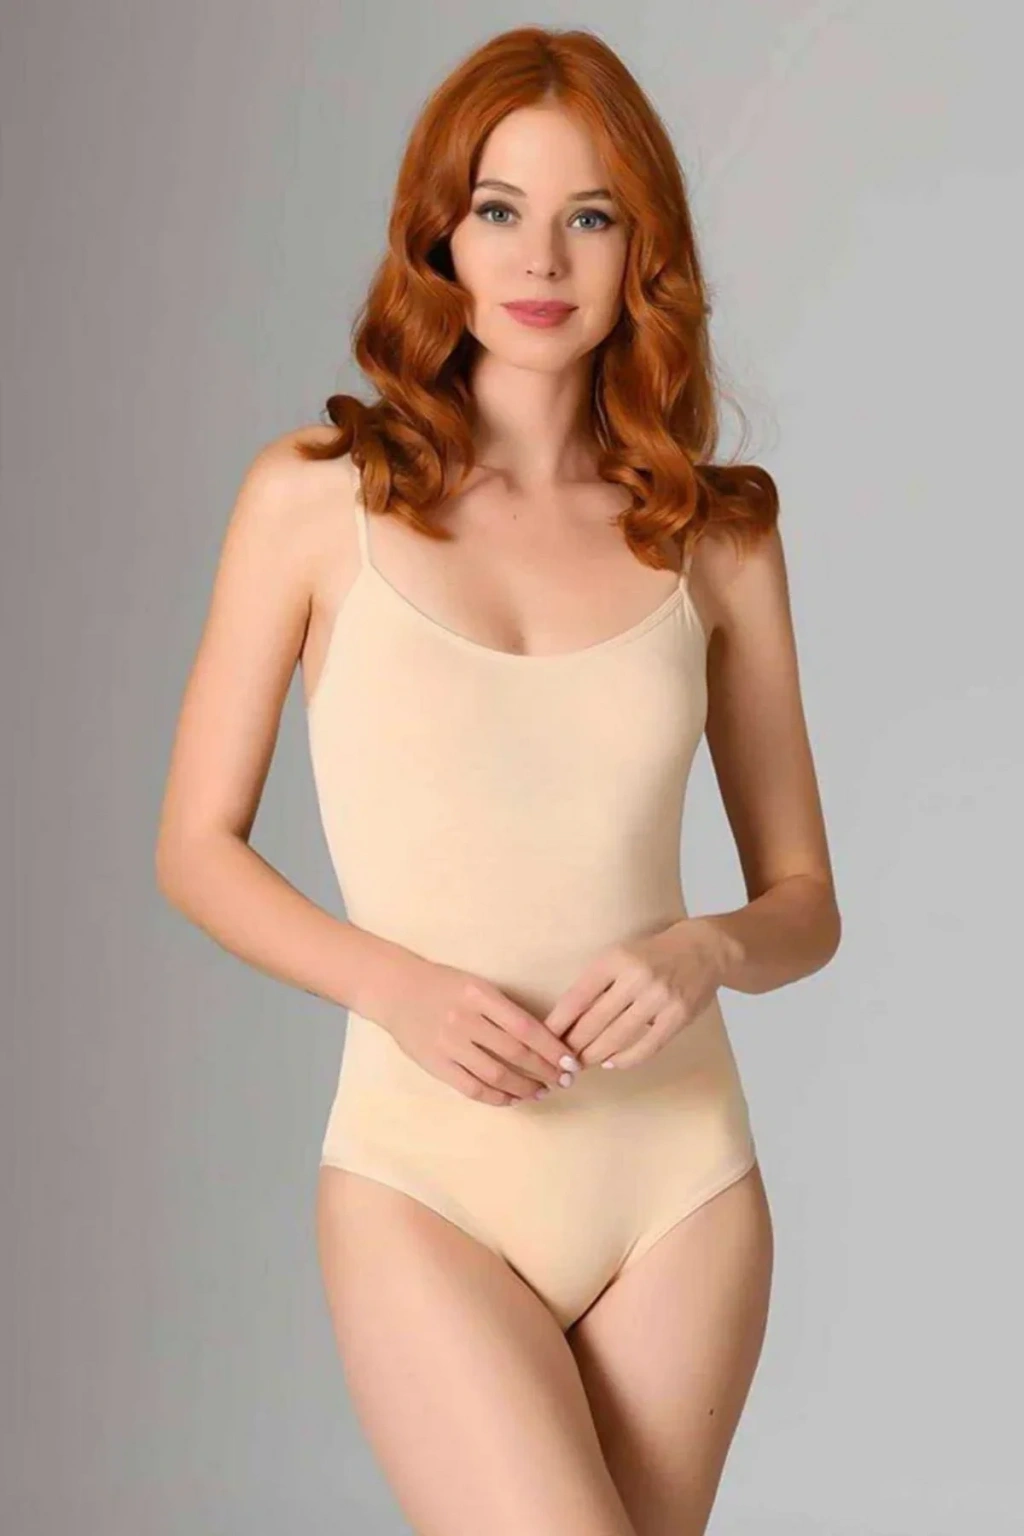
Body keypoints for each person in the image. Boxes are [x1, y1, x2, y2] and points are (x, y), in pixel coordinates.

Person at [155, 24, 841, 1536]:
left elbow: (806, 903)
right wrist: (393, 988)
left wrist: (704, 950)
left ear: (643, 248)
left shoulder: (717, 536)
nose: (541, 257)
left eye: (591, 214)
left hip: (678, 1182)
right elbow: (196, 847)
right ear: (440, 237)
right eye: (498, 209)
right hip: (426, 1176)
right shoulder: (313, 501)